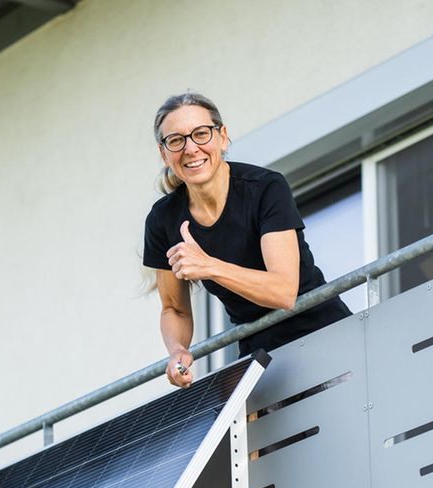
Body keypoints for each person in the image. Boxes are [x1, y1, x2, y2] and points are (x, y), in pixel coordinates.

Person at [143, 92, 351, 388]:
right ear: (164, 154)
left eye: (201, 134)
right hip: (261, 356)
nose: (190, 148)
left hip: (325, 336)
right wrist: (178, 351)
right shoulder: (162, 221)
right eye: (176, 140)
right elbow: (174, 309)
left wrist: (209, 266)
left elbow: (283, 291)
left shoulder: (265, 188)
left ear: (222, 137)